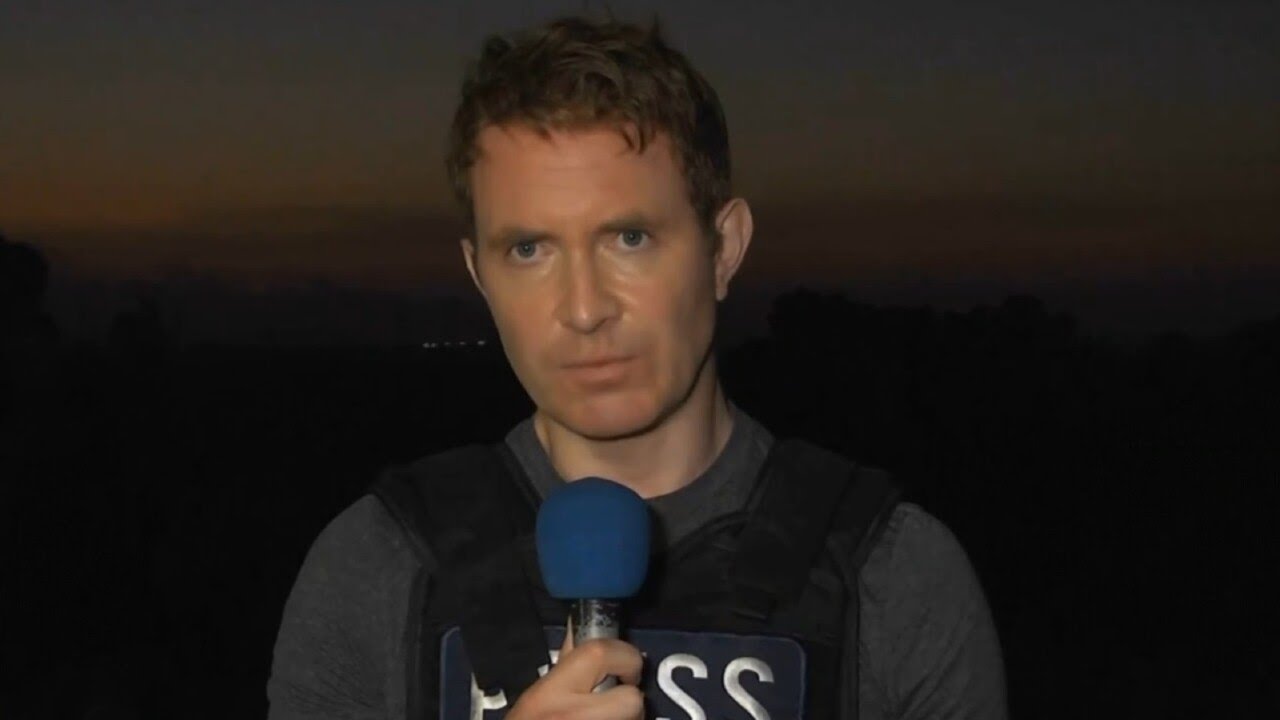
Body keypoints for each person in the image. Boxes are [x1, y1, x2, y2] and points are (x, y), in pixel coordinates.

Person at [267, 14, 1007, 720]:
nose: (584, 308)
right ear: (479, 275)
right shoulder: (380, 564)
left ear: (724, 249)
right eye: (528, 249)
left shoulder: (892, 574)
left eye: (629, 238)